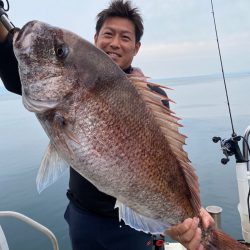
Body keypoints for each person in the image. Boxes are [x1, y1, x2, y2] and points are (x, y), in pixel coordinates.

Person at [0, 1, 214, 249]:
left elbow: (171, 160)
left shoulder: (152, 97)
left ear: (136, 47)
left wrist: (195, 211)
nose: (115, 43)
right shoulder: (60, 82)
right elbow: (8, 53)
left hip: (131, 228)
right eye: (108, 34)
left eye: (125, 37)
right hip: (83, 216)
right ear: (96, 38)